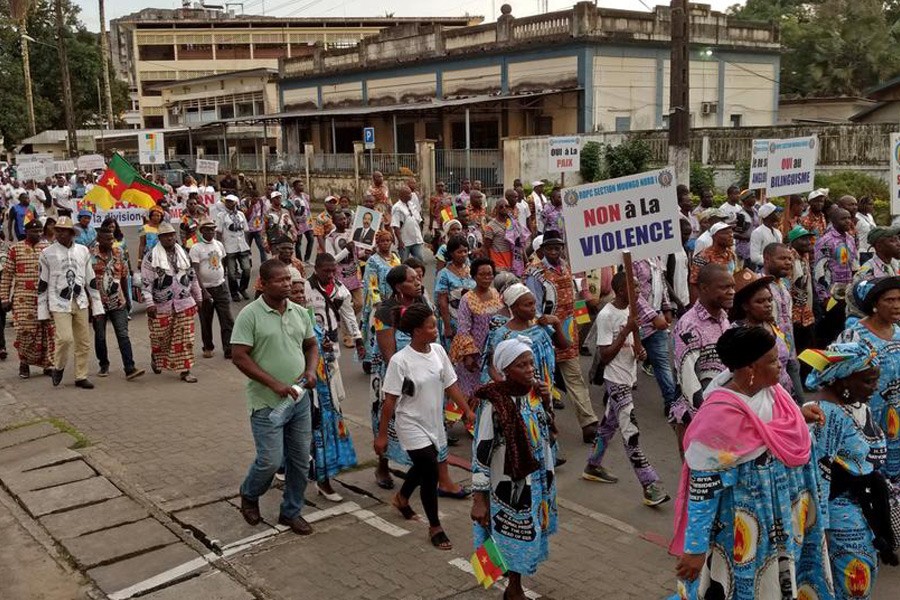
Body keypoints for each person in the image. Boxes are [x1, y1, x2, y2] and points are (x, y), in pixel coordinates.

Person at [669, 326, 831, 600]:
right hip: (747, 532)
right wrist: (694, 550)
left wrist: (801, 414)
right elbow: (703, 492)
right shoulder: (717, 419)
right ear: (748, 369)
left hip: (786, 524)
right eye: (771, 360)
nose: (780, 365)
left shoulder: (775, 393)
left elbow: (770, 427)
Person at [803, 342, 898, 600]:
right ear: (843, 380)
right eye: (868, 381)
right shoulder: (828, 415)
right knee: (854, 585)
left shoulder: (858, 406)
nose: (875, 388)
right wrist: (819, 530)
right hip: (840, 515)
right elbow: (820, 475)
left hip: (862, 509)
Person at [232, 259, 319, 536]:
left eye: (289, 279)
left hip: (299, 399)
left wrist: (310, 370)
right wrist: (275, 384)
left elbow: (311, 344)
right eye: (280, 280)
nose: (287, 284)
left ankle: (291, 511)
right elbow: (239, 356)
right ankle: (249, 493)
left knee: (300, 460)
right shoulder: (250, 315)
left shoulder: (299, 312)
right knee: (270, 460)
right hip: (267, 402)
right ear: (264, 284)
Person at [377, 303, 473, 550]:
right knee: (430, 469)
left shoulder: (439, 352)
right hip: (409, 422)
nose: (436, 329)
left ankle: (401, 498)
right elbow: (389, 401)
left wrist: (467, 411)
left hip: (433, 422)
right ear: (417, 331)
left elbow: (451, 384)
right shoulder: (400, 361)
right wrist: (381, 436)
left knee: (422, 466)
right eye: (431, 326)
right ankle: (435, 526)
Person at [370, 265, 469, 497]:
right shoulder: (384, 312)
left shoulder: (421, 304)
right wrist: (407, 379)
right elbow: (389, 353)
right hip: (398, 378)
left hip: (428, 374)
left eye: (418, 278)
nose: (418, 282)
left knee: (435, 424)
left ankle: (442, 480)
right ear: (398, 286)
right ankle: (383, 466)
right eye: (412, 280)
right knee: (387, 424)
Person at [471, 337, 557, 599]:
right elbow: (481, 452)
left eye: (531, 363)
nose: (530, 369)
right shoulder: (493, 403)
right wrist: (479, 499)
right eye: (522, 365)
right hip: (506, 485)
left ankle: (513, 580)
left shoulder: (534, 395)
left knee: (524, 534)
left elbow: (550, 435)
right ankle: (512, 587)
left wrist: (546, 402)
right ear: (506, 369)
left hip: (538, 482)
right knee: (501, 531)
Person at [582, 271, 671, 506]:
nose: (639, 291)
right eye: (634, 288)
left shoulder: (630, 311)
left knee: (608, 426)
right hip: (615, 380)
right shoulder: (606, 315)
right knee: (630, 431)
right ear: (622, 290)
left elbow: (630, 346)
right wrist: (625, 330)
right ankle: (649, 485)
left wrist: (638, 353)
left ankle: (593, 464)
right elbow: (605, 356)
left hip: (628, 377)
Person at [525, 231, 599, 440]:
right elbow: (534, 308)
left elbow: (576, 298)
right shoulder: (535, 273)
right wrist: (550, 328)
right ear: (542, 250)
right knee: (543, 381)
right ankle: (545, 427)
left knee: (575, 377)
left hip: (569, 330)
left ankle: (589, 423)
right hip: (544, 334)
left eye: (558, 247)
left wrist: (581, 321)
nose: (555, 252)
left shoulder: (567, 267)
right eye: (550, 248)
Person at [838, 277, 900, 483]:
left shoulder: (898, 332)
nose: (897, 305)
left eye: (899, 299)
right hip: (865, 417)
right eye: (889, 300)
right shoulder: (854, 335)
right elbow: (837, 377)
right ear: (874, 304)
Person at [37, 216, 104, 389]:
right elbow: (42, 283)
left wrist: (97, 307)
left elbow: (91, 279)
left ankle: (81, 376)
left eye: (64, 231)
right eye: (57, 230)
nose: (60, 233)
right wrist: (42, 311)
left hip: (80, 300)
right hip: (58, 302)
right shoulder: (47, 253)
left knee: (83, 341)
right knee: (65, 339)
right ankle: (58, 367)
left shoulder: (82, 251)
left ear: (71, 233)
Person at [671, 264, 733, 432]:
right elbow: (688, 379)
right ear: (704, 288)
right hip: (698, 418)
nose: (732, 291)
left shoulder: (723, 318)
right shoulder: (689, 326)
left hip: (722, 411)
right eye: (724, 287)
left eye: (732, 286)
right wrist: (706, 418)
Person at [141, 222, 203, 383]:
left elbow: (192, 276)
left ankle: (186, 370)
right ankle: (156, 357)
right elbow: (146, 282)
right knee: (160, 337)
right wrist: (149, 303)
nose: (170, 238)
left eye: (172, 235)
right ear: (159, 238)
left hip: (185, 302)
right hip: (161, 304)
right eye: (165, 236)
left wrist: (199, 297)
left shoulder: (184, 253)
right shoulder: (150, 257)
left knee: (185, 338)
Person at [1, 220, 54, 378]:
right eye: (34, 231)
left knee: (48, 332)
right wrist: (4, 297)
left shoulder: (48, 248)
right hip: (23, 298)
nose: (37, 234)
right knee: (25, 331)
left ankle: (49, 364)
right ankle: (24, 362)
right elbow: (7, 275)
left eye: (39, 231)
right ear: (26, 231)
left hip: (46, 297)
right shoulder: (15, 249)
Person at [90, 228, 144, 380]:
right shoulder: (90, 255)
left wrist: (127, 301)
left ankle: (129, 367)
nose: (111, 242)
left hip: (118, 301)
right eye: (107, 239)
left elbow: (124, 277)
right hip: (98, 302)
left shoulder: (118, 252)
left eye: (112, 239)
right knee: (100, 336)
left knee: (123, 334)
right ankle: (104, 364)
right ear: (99, 239)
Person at [729, 268, 793, 394]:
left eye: (769, 300)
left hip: (785, 393)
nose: (768, 305)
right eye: (760, 301)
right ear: (745, 306)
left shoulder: (771, 324)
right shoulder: (737, 334)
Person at [633, 256, 679, 417]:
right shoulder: (632, 261)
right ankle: (615, 398)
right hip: (636, 321)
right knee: (626, 365)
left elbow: (662, 285)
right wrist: (652, 316)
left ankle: (671, 402)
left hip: (655, 323)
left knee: (662, 362)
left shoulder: (655, 259)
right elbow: (631, 292)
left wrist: (667, 308)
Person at [304, 252, 365, 363]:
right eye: (326, 271)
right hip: (311, 341)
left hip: (332, 338)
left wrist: (358, 338)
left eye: (333, 271)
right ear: (316, 269)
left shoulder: (340, 290)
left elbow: (349, 315)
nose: (330, 275)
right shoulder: (305, 289)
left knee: (332, 372)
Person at [761, 243, 803, 400]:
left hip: (790, 351)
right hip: (773, 357)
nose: (788, 262)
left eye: (789, 259)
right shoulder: (759, 285)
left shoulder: (784, 284)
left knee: (799, 400)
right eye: (782, 258)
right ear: (767, 259)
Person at [190, 218, 233, 360]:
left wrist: (222, 277)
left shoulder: (219, 245)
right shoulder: (196, 248)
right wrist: (203, 291)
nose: (210, 232)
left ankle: (228, 348)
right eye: (207, 230)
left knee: (227, 319)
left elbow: (223, 262)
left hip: (221, 286)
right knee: (206, 320)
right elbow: (195, 272)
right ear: (201, 231)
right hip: (205, 289)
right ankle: (208, 346)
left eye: (212, 229)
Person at [814, 207, 858, 346]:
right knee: (831, 332)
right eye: (843, 218)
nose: (847, 221)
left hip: (848, 293)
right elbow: (819, 269)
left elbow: (855, 263)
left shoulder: (850, 239)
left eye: (849, 218)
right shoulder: (826, 241)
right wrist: (824, 297)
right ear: (833, 221)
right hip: (831, 296)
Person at [846, 226, 900, 321]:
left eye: (898, 239)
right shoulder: (868, 271)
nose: (898, 244)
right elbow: (855, 302)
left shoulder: (894, 264)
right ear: (879, 246)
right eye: (892, 241)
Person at [434, 235, 475, 349]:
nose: (463, 255)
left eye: (465, 251)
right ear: (451, 253)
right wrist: (447, 327)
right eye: (459, 252)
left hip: (472, 319)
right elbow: (442, 302)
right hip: (454, 319)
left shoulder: (471, 269)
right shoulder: (444, 274)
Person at [788, 226, 817, 364]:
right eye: (803, 239)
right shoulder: (789, 259)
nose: (808, 242)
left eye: (808, 238)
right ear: (793, 242)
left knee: (807, 347)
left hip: (806, 311)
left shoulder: (804, 257)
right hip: (794, 314)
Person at [689, 221, 736, 303]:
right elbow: (694, 283)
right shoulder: (702, 257)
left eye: (731, 233)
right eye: (726, 233)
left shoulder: (731, 254)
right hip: (711, 300)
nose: (731, 236)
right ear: (715, 236)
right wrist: (695, 307)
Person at [216, 194, 252, 302]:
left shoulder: (241, 214)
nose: (228, 203)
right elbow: (218, 232)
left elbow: (246, 230)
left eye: (231, 201)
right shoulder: (221, 215)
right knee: (231, 273)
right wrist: (219, 247)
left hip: (242, 246)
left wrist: (248, 246)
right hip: (229, 246)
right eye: (227, 201)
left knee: (246, 270)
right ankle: (234, 293)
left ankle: (242, 288)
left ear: (236, 203)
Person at [483, 192, 529, 276]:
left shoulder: (513, 223)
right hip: (499, 266)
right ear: (496, 209)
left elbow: (520, 246)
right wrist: (490, 267)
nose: (504, 208)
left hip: (514, 264)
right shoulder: (490, 226)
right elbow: (486, 248)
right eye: (501, 207)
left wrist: (527, 262)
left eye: (506, 206)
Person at [391, 186, 424, 261]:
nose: (411, 195)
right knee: (404, 263)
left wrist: (420, 236)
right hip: (405, 242)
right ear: (402, 195)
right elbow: (396, 226)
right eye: (408, 194)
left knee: (419, 261)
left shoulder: (412, 204)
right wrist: (400, 241)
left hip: (416, 240)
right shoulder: (397, 207)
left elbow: (418, 220)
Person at [748, 203, 782, 270]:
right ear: (769, 215)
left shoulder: (777, 232)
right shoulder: (757, 232)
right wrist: (773, 261)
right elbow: (754, 257)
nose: (779, 214)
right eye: (776, 212)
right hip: (763, 269)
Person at [732, 190, 757, 267]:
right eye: (752, 197)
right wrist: (746, 237)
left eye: (754, 197)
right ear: (745, 200)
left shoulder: (755, 211)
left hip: (753, 247)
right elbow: (735, 233)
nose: (754, 199)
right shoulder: (740, 215)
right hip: (743, 249)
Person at [243, 193, 269, 264]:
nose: (256, 200)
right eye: (254, 198)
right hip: (248, 229)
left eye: (257, 198)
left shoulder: (261, 202)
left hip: (258, 229)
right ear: (251, 197)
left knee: (262, 247)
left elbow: (264, 214)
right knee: (247, 248)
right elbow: (246, 216)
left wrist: (264, 226)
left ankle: (264, 264)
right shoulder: (245, 202)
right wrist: (251, 205)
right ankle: (248, 263)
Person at [856, 195, 877, 263]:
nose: (872, 206)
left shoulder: (870, 216)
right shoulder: (857, 217)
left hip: (872, 250)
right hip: (862, 251)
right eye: (870, 204)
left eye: (872, 204)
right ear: (863, 205)